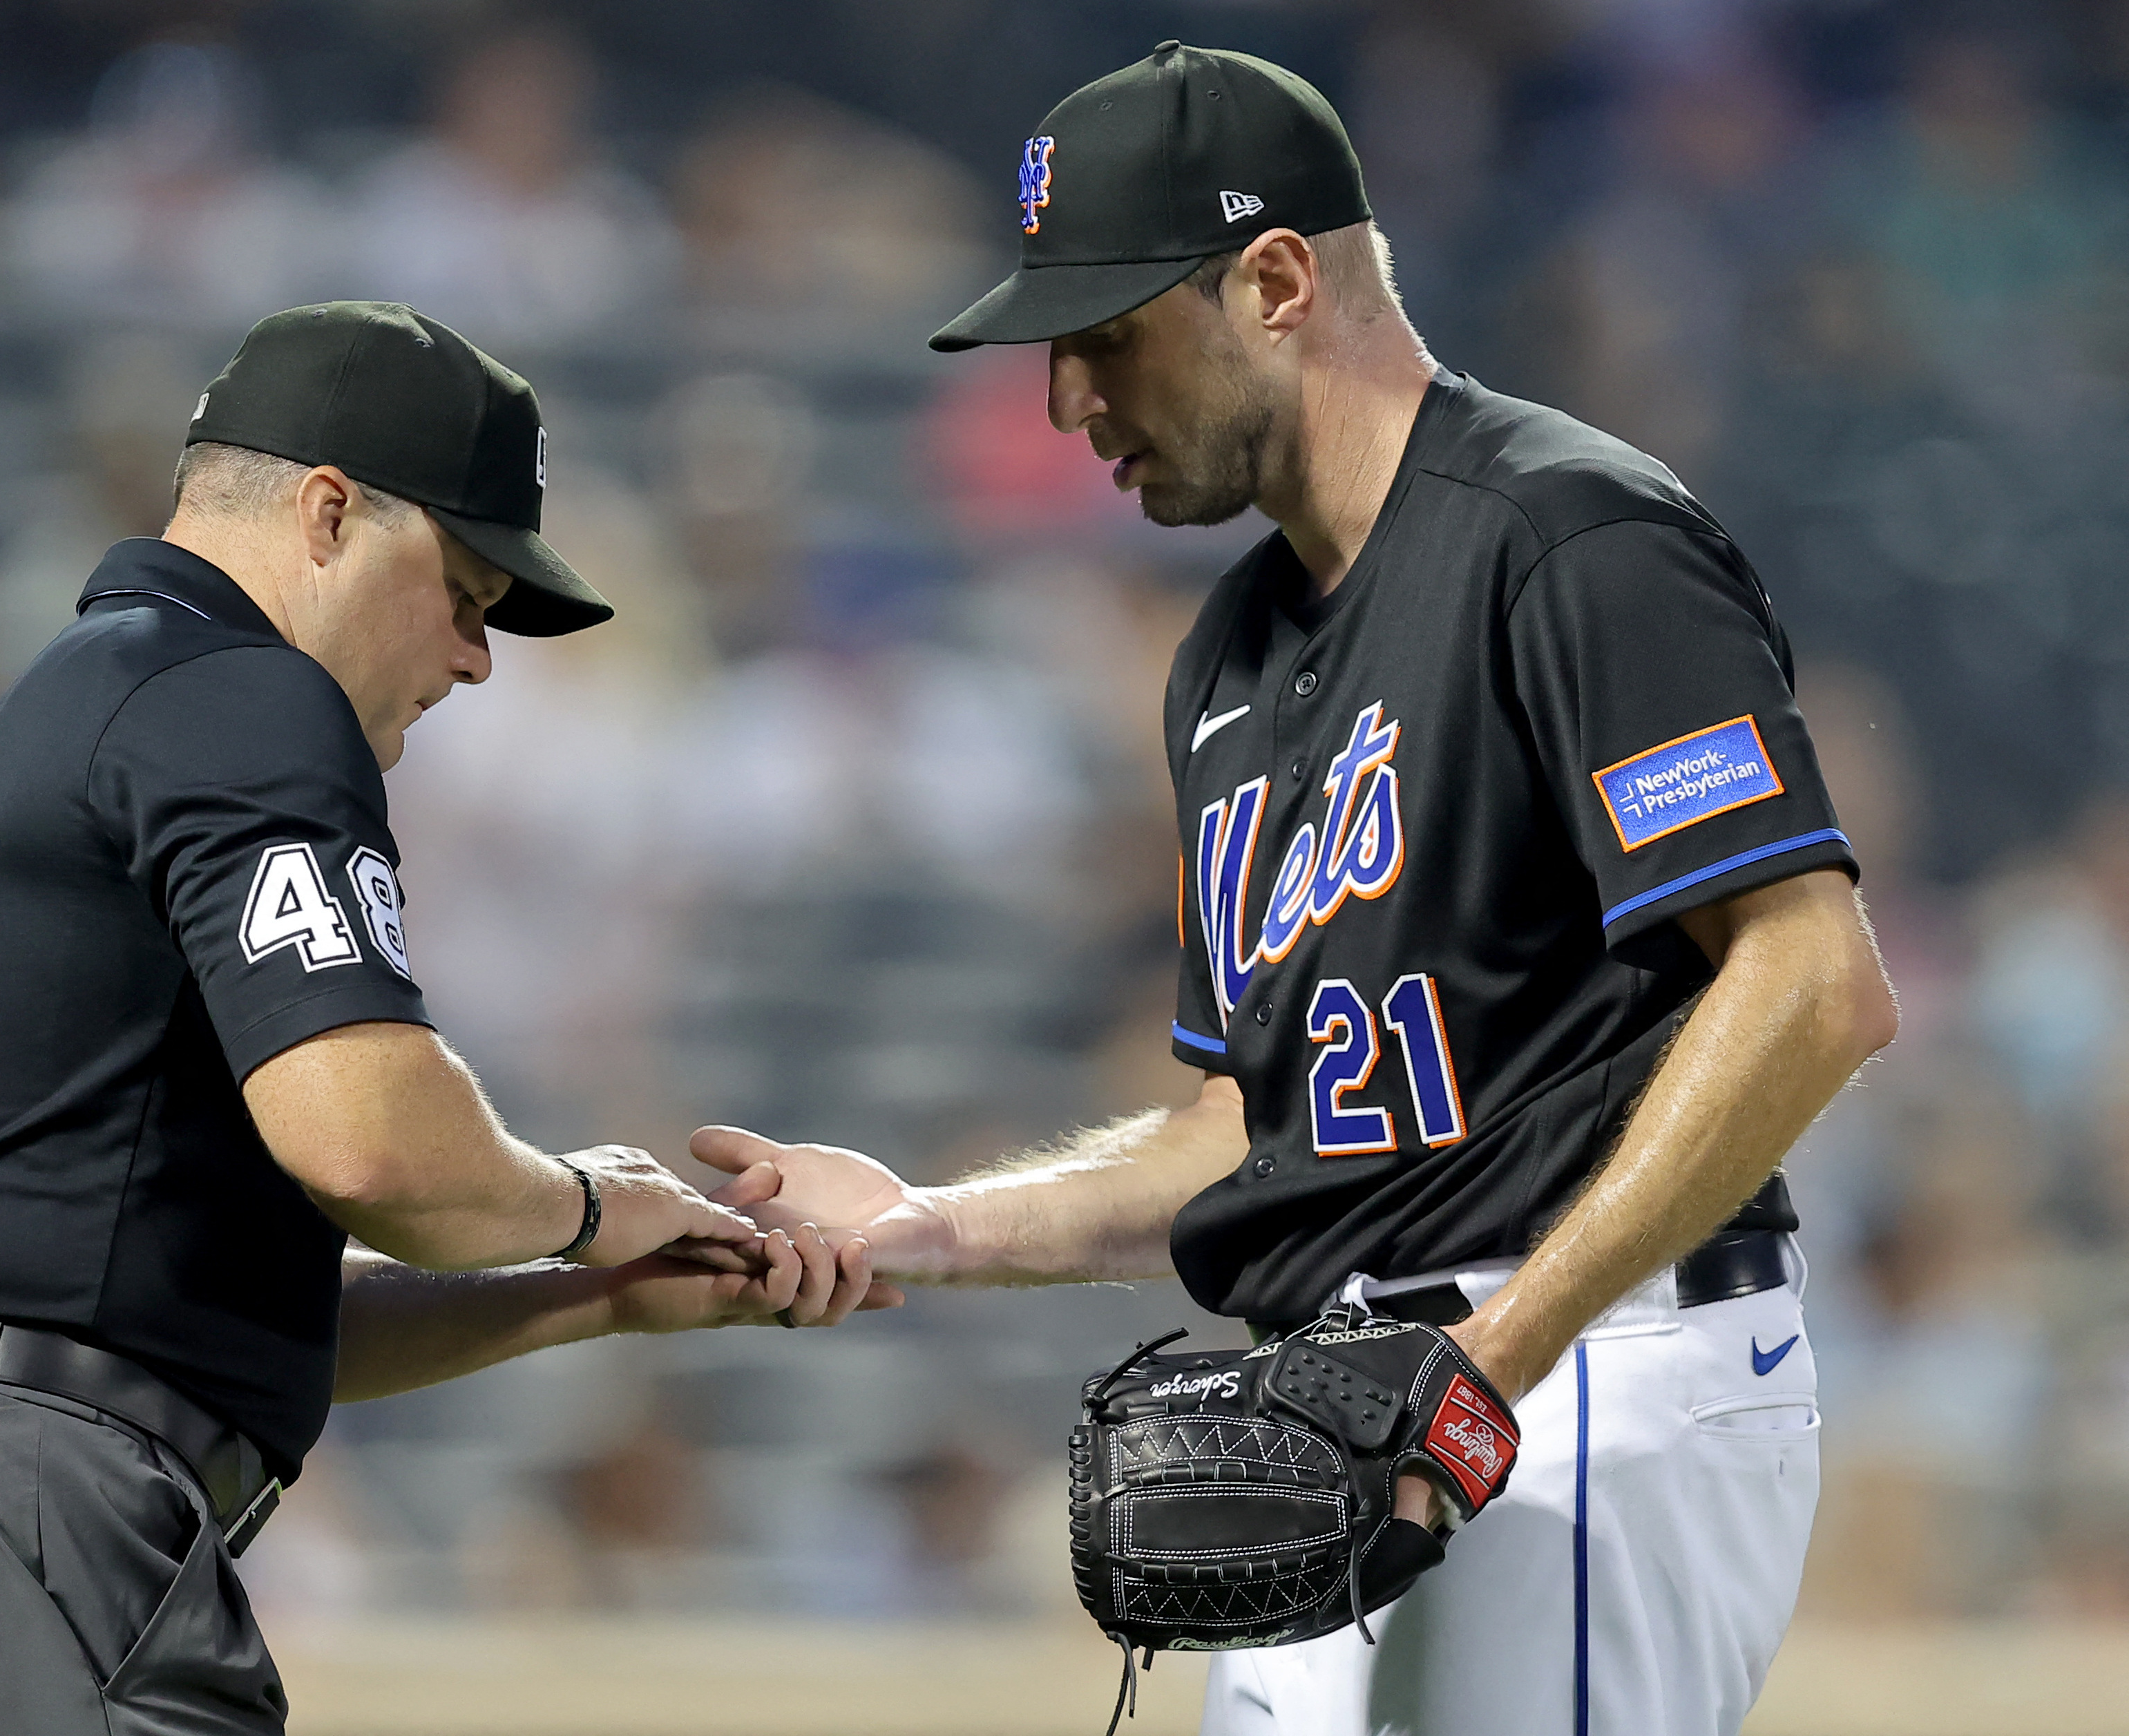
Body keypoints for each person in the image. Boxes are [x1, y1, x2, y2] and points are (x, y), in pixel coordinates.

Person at [695, 44, 1895, 1736]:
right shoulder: (1228, 659)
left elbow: (1813, 983)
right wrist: (926, 1226)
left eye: (1105, 334)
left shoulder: (1566, 539)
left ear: (1273, 281)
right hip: (1349, 1393)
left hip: (1591, 1370)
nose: (1065, 401)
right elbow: (1234, 1138)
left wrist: (1496, 1357)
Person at [0, 302, 890, 1736]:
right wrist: (591, 1206)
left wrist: (585, 1287)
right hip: (11, 1508)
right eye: (467, 594)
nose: (480, 659)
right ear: (329, 512)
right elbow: (373, 1144)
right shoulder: (241, 695)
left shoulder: (119, 694)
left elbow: (209, 1308)